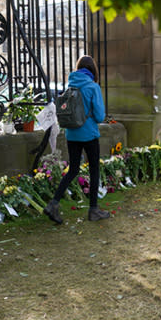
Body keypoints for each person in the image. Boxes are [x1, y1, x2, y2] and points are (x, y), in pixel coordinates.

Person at [44, 55, 110, 224]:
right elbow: (100, 115)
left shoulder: (70, 85)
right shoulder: (92, 87)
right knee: (94, 170)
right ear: (92, 69)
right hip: (89, 134)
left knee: (73, 169)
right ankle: (93, 210)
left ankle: (53, 203)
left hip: (72, 134)